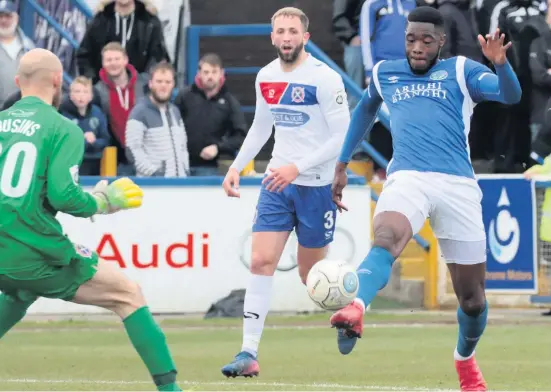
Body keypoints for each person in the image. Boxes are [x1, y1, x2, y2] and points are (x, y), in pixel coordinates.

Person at [0, 48, 182, 392]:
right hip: (31, 251)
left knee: (23, 287)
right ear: (58, 82)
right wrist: (103, 201)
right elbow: (65, 196)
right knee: (128, 294)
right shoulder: (63, 129)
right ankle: (170, 389)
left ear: (17, 82)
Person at [329, 6, 521, 392]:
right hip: (408, 177)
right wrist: (342, 162)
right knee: (386, 237)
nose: (417, 47)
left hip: (457, 186)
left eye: (426, 41)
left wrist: (501, 64)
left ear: (441, 42)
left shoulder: (461, 71)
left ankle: (465, 360)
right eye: (411, 39)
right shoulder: (386, 72)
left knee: (472, 301)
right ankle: (356, 308)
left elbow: (509, 95)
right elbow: (364, 110)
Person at [220, 7, 351, 378]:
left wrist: (301, 166)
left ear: (306, 38)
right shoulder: (266, 77)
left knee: (312, 277)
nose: (287, 37)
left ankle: (349, 313)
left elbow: (342, 137)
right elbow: (262, 127)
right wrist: (236, 166)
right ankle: (248, 353)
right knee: (262, 261)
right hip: (277, 183)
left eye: (294, 30)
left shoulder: (325, 79)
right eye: (281, 31)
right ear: (273, 37)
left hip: (316, 187)